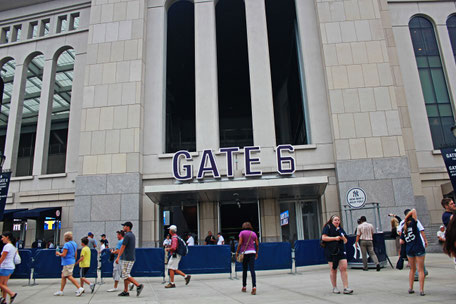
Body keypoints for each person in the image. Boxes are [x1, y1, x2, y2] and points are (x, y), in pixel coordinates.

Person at [321, 215, 353, 294]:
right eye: (335, 220)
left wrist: (342, 237)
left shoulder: (340, 229)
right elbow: (324, 238)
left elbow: (345, 240)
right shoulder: (327, 227)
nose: (337, 221)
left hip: (341, 250)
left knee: (344, 267)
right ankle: (334, 287)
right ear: (332, 221)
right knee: (333, 269)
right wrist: (335, 238)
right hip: (331, 251)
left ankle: (346, 287)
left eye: (338, 220)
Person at [400, 209, 427, 296]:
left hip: (409, 249)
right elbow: (414, 210)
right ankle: (421, 290)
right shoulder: (413, 224)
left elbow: (401, 241)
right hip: (418, 248)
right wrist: (406, 217)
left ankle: (411, 288)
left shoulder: (404, 228)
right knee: (420, 270)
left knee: (412, 269)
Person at [115, 222, 144, 297]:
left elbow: (123, 247)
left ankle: (138, 285)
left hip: (127, 258)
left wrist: (118, 257)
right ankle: (125, 291)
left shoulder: (127, 236)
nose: (123, 227)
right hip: (130, 257)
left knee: (125, 274)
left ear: (127, 227)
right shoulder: (132, 235)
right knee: (125, 274)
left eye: (124, 226)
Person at [54, 231, 84, 296]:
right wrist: (74, 260)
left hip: (67, 262)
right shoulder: (74, 244)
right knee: (63, 276)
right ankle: (61, 291)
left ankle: (79, 288)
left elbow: (64, 254)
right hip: (72, 261)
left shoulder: (66, 244)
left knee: (68, 276)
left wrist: (58, 253)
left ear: (66, 238)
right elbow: (75, 254)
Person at [235, 222, 259, 295]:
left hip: (245, 253)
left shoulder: (242, 233)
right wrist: (256, 253)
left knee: (244, 270)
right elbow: (257, 244)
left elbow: (239, 243)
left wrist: (237, 252)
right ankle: (254, 287)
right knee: (252, 270)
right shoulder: (253, 233)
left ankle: (244, 287)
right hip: (252, 252)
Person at [0, 232, 18, 304]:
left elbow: (3, 257)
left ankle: (11, 293)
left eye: (3, 237)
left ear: (7, 237)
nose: (2, 239)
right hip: (10, 267)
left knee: (1, 284)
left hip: (5, 267)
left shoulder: (7, 246)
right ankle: (4, 300)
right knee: (4, 284)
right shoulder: (13, 247)